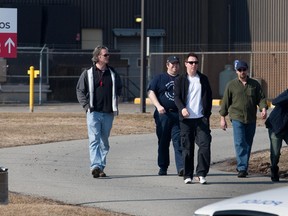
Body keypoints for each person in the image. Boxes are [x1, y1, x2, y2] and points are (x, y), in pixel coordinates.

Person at [76, 45, 122, 178]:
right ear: (98, 57)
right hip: (93, 112)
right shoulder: (88, 73)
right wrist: (86, 105)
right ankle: (95, 166)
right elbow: (80, 90)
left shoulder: (112, 73)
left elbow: (119, 87)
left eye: (108, 55)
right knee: (94, 139)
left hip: (108, 112)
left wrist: (115, 101)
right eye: (105, 55)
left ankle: (100, 166)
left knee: (104, 141)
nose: (108, 57)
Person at [219, 60, 268, 178]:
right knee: (240, 142)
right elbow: (225, 102)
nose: (242, 72)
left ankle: (243, 165)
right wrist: (222, 118)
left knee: (248, 143)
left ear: (247, 70)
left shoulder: (254, 84)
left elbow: (261, 99)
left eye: (244, 70)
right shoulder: (231, 85)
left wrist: (263, 109)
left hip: (251, 118)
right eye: (239, 70)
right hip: (237, 117)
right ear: (236, 71)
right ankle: (242, 168)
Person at [174, 53, 212, 184]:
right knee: (187, 147)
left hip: (201, 119)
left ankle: (201, 173)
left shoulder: (203, 79)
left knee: (205, 145)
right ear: (185, 64)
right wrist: (182, 108)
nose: (193, 65)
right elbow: (177, 97)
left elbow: (209, 97)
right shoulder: (180, 80)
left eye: (196, 62)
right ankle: (188, 174)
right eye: (191, 62)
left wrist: (207, 114)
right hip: (186, 120)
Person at [147, 56, 184, 176]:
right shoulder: (160, 78)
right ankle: (163, 167)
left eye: (177, 64)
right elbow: (151, 92)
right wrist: (158, 106)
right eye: (172, 64)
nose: (175, 66)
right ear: (167, 65)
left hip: (178, 115)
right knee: (163, 141)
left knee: (178, 141)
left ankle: (181, 167)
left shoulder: (183, 79)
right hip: (164, 115)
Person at [265, 89, 288, 182]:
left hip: (287, 129)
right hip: (276, 127)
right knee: (275, 153)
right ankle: (274, 169)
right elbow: (274, 101)